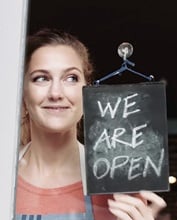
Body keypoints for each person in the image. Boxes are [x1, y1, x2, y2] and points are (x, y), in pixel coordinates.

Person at [16, 28, 166, 220]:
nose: (56, 93)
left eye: (71, 78)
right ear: (23, 93)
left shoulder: (122, 189)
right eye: (41, 78)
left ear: (87, 92)